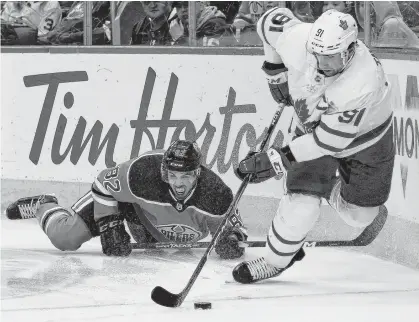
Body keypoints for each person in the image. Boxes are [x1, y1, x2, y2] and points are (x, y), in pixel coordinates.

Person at [232, 8, 394, 283]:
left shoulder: (361, 83)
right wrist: (275, 72)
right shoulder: (300, 40)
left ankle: (333, 190)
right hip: (312, 128)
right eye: (317, 54)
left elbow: (326, 142)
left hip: (367, 141)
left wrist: (274, 160)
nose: (321, 63)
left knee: (359, 217)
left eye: (330, 56)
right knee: (301, 206)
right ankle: (274, 262)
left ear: (351, 49)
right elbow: (269, 20)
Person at [6, 140, 247, 260]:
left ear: (198, 173)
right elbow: (103, 183)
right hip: (123, 202)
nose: (178, 183)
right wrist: (109, 225)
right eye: (172, 175)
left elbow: (237, 231)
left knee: (154, 255)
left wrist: (232, 242)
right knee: (64, 238)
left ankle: (138, 228)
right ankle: (43, 204)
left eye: (185, 176)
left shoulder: (216, 194)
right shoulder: (142, 173)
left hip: (149, 222)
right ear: (164, 172)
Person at [170, 1, 235, 46]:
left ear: (201, 5)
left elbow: (203, 59)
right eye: (178, 6)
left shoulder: (215, 25)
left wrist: (180, 38)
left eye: (187, 4)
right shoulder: (176, 25)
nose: (183, 10)